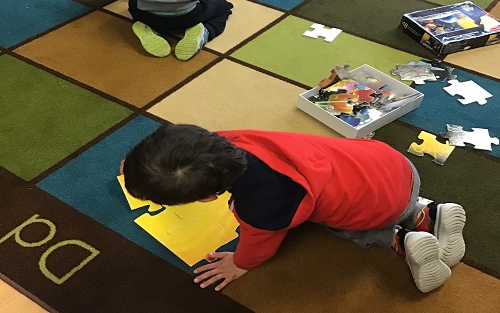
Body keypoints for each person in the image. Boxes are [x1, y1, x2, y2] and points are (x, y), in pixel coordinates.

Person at [122, 124, 466, 293]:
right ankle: (428, 212)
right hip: (395, 164)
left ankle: (396, 238)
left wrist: (239, 263)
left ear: (207, 198)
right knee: (350, 187)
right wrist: (143, 165)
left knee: (339, 223)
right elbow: (182, 151)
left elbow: (261, 242)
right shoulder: (230, 140)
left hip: (382, 208)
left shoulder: (261, 205)